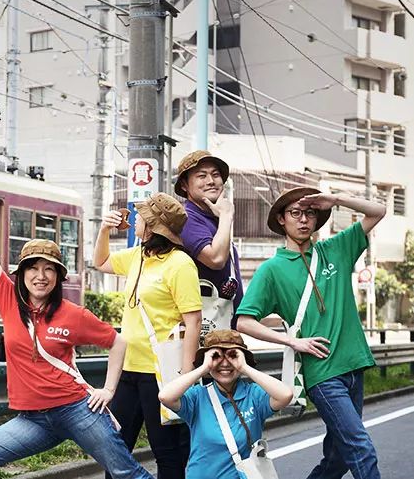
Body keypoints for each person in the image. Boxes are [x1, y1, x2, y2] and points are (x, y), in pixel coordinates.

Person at [0, 185, 152, 479]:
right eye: (33, 268)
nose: (40, 276)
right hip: (33, 420)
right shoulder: (8, 299)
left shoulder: (73, 313)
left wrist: (108, 390)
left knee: (126, 473)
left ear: (58, 276)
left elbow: (118, 342)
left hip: (77, 410)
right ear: (22, 274)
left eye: (49, 269)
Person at [235, 186, 386, 479]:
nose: (303, 219)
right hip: (322, 373)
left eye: (310, 213)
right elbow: (244, 322)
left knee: (339, 457)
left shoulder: (336, 248)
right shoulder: (271, 270)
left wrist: (336, 199)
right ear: (281, 219)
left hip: (354, 363)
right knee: (361, 448)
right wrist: (291, 341)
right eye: (295, 213)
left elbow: (378, 211)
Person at [94, 192, 203, 479]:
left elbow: (193, 321)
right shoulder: (137, 256)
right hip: (127, 368)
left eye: (141, 217)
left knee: (167, 452)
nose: (135, 220)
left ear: (153, 226)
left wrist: (185, 375)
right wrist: (104, 229)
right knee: (116, 448)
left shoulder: (180, 264)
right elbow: (101, 262)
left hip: (161, 373)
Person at [159, 329, 293, 479]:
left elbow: (285, 395)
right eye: (216, 356)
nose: (224, 364)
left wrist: (244, 367)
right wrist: (204, 367)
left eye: (232, 356)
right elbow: (165, 396)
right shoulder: (198, 396)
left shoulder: (253, 394)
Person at [174, 151, 242, 332]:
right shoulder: (187, 218)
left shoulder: (212, 218)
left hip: (221, 327)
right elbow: (216, 259)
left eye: (215, 174)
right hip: (202, 330)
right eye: (201, 176)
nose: (211, 181)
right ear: (184, 185)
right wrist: (226, 215)